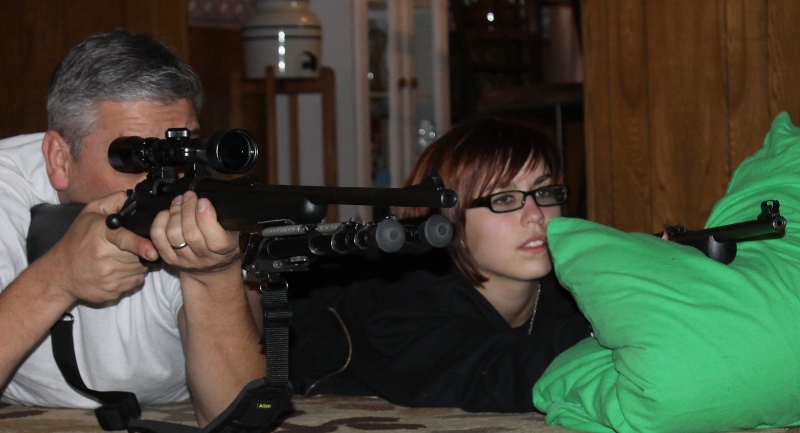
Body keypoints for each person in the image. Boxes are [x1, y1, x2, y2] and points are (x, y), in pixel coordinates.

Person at [0, 29, 264, 426]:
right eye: (136, 156)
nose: (167, 178)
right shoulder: (7, 187)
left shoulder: (201, 204)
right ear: (59, 158)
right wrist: (55, 279)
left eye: (182, 151)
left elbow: (237, 417)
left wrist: (215, 275)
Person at [288, 116, 592, 413]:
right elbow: (494, 378)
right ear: (448, 221)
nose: (536, 214)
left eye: (544, 191)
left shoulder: (571, 293)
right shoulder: (404, 298)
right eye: (504, 199)